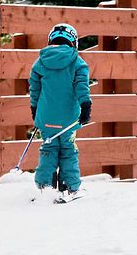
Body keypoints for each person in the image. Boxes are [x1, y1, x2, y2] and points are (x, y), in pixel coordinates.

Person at [28, 22, 91, 201]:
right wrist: (86, 106)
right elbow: (81, 87)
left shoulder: (40, 62)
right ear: (74, 42)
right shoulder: (78, 63)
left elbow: (35, 89)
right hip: (68, 120)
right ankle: (71, 187)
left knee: (48, 148)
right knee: (68, 150)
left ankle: (44, 186)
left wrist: (35, 110)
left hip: (45, 117)